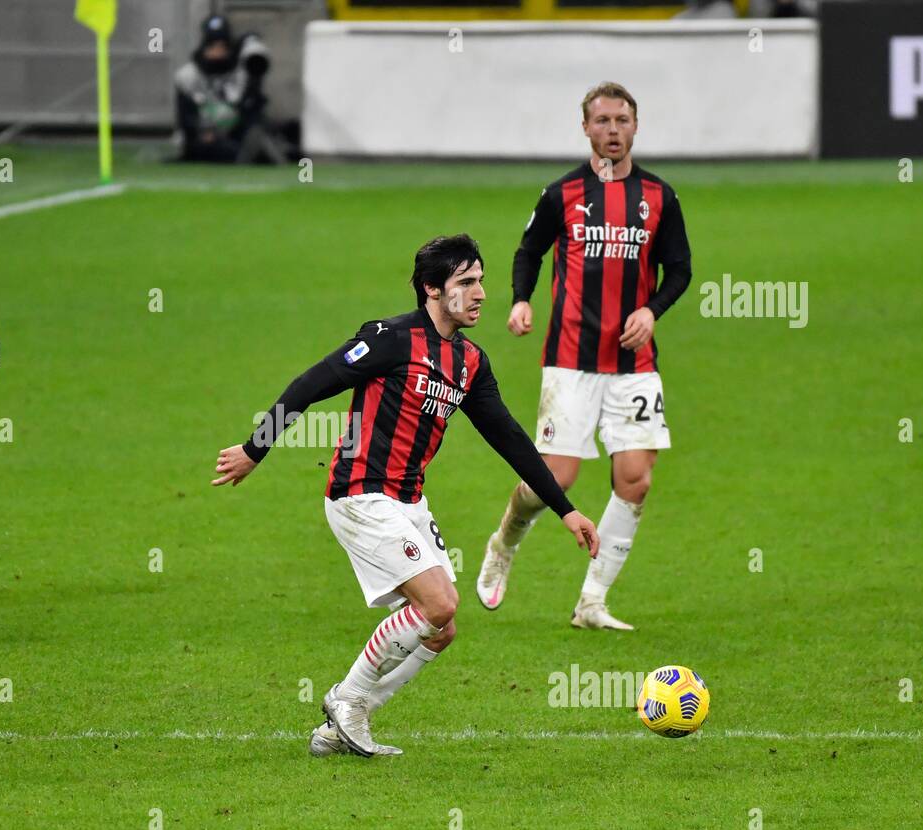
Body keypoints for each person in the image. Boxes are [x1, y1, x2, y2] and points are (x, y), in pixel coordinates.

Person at [213, 235, 599, 757]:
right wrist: (255, 450)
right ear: (431, 289)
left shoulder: (470, 362)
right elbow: (310, 383)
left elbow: (508, 437)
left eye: (481, 280)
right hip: (359, 493)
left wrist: (566, 509)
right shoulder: (389, 338)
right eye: (466, 282)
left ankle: (345, 728)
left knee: (441, 630)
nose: (481, 293)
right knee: (439, 603)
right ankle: (346, 698)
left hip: (408, 501)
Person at [475, 82, 692, 631]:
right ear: (586, 127)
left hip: (634, 364)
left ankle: (592, 602)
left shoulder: (660, 198)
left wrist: (652, 311)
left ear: (635, 126)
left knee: (636, 479)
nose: (612, 130)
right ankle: (503, 543)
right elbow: (530, 250)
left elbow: (681, 269)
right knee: (557, 479)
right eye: (602, 121)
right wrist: (521, 299)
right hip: (570, 359)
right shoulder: (562, 193)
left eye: (622, 120)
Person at [174, 13, 289, 164]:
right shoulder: (188, 75)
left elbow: (252, 109)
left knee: (259, 135)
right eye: (212, 46)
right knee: (208, 148)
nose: (217, 51)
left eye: (222, 46)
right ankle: (244, 156)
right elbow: (185, 119)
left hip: (235, 133)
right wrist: (202, 130)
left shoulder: (241, 72)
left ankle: (256, 153)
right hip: (202, 138)